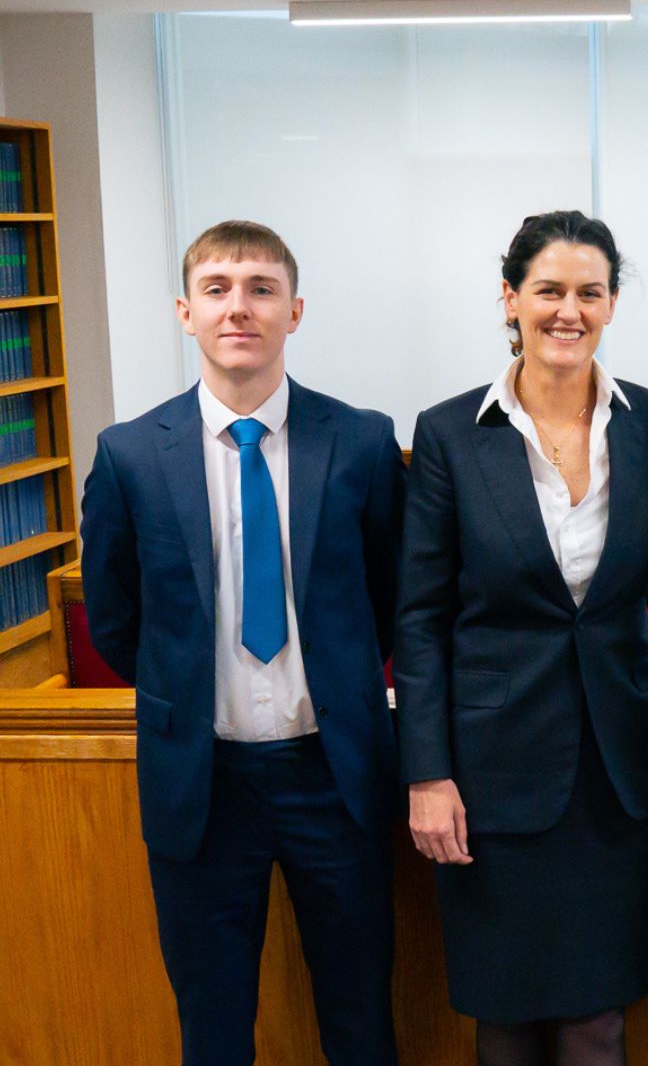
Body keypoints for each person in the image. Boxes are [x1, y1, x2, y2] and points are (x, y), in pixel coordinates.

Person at [80, 220, 405, 1065]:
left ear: (294, 312)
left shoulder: (362, 442)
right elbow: (117, 619)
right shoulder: (128, 456)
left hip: (334, 775)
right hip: (202, 782)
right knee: (214, 1026)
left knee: (360, 1016)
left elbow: (392, 593)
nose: (240, 307)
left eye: (261, 288)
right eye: (218, 288)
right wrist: (186, 694)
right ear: (185, 312)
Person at [394, 211, 648, 1065]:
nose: (569, 310)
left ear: (611, 304)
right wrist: (427, 773)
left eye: (588, 292)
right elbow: (419, 617)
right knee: (508, 1018)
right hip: (493, 778)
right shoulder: (451, 432)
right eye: (548, 290)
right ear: (510, 299)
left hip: (616, 776)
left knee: (599, 1022)